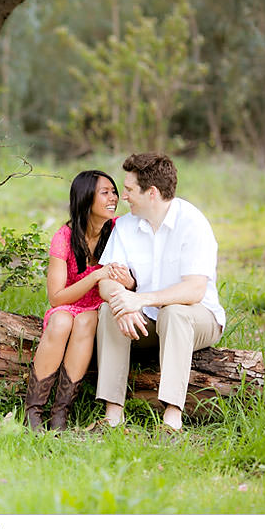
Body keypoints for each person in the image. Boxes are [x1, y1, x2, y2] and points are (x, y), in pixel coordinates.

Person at [95, 152, 226, 431]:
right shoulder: (127, 226)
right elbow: (106, 280)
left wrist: (139, 299)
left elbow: (194, 290)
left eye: (129, 190)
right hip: (147, 322)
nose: (124, 196)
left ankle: (172, 417)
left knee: (175, 312)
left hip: (198, 319)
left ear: (151, 192)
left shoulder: (193, 223)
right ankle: (112, 415)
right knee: (109, 308)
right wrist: (122, 300)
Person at [24, 170, 133, 432]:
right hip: (68, 303)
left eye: (114, 191)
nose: (113, 198)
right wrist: (96, 275)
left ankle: (61, 412)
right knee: (60, 322)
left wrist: (124, 281)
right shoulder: (64, 237)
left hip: (99, 307)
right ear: (85, 198)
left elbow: (132, 279)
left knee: (86, 322)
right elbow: (56, 297)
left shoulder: (119, 229)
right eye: (104, 192)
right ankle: (33, 411)